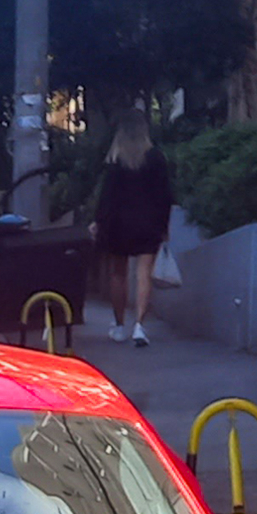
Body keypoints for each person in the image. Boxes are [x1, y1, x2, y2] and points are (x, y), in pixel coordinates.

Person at [92, 111, 172, 347]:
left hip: (119, 223)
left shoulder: (116, 160)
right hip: (148, 221)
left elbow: (106, 197)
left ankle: (119, 326)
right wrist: (164, 225)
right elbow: (164, 194)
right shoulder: (156, 157)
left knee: (118, 274)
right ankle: (139, 326)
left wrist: (99, 221)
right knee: (143, 273)